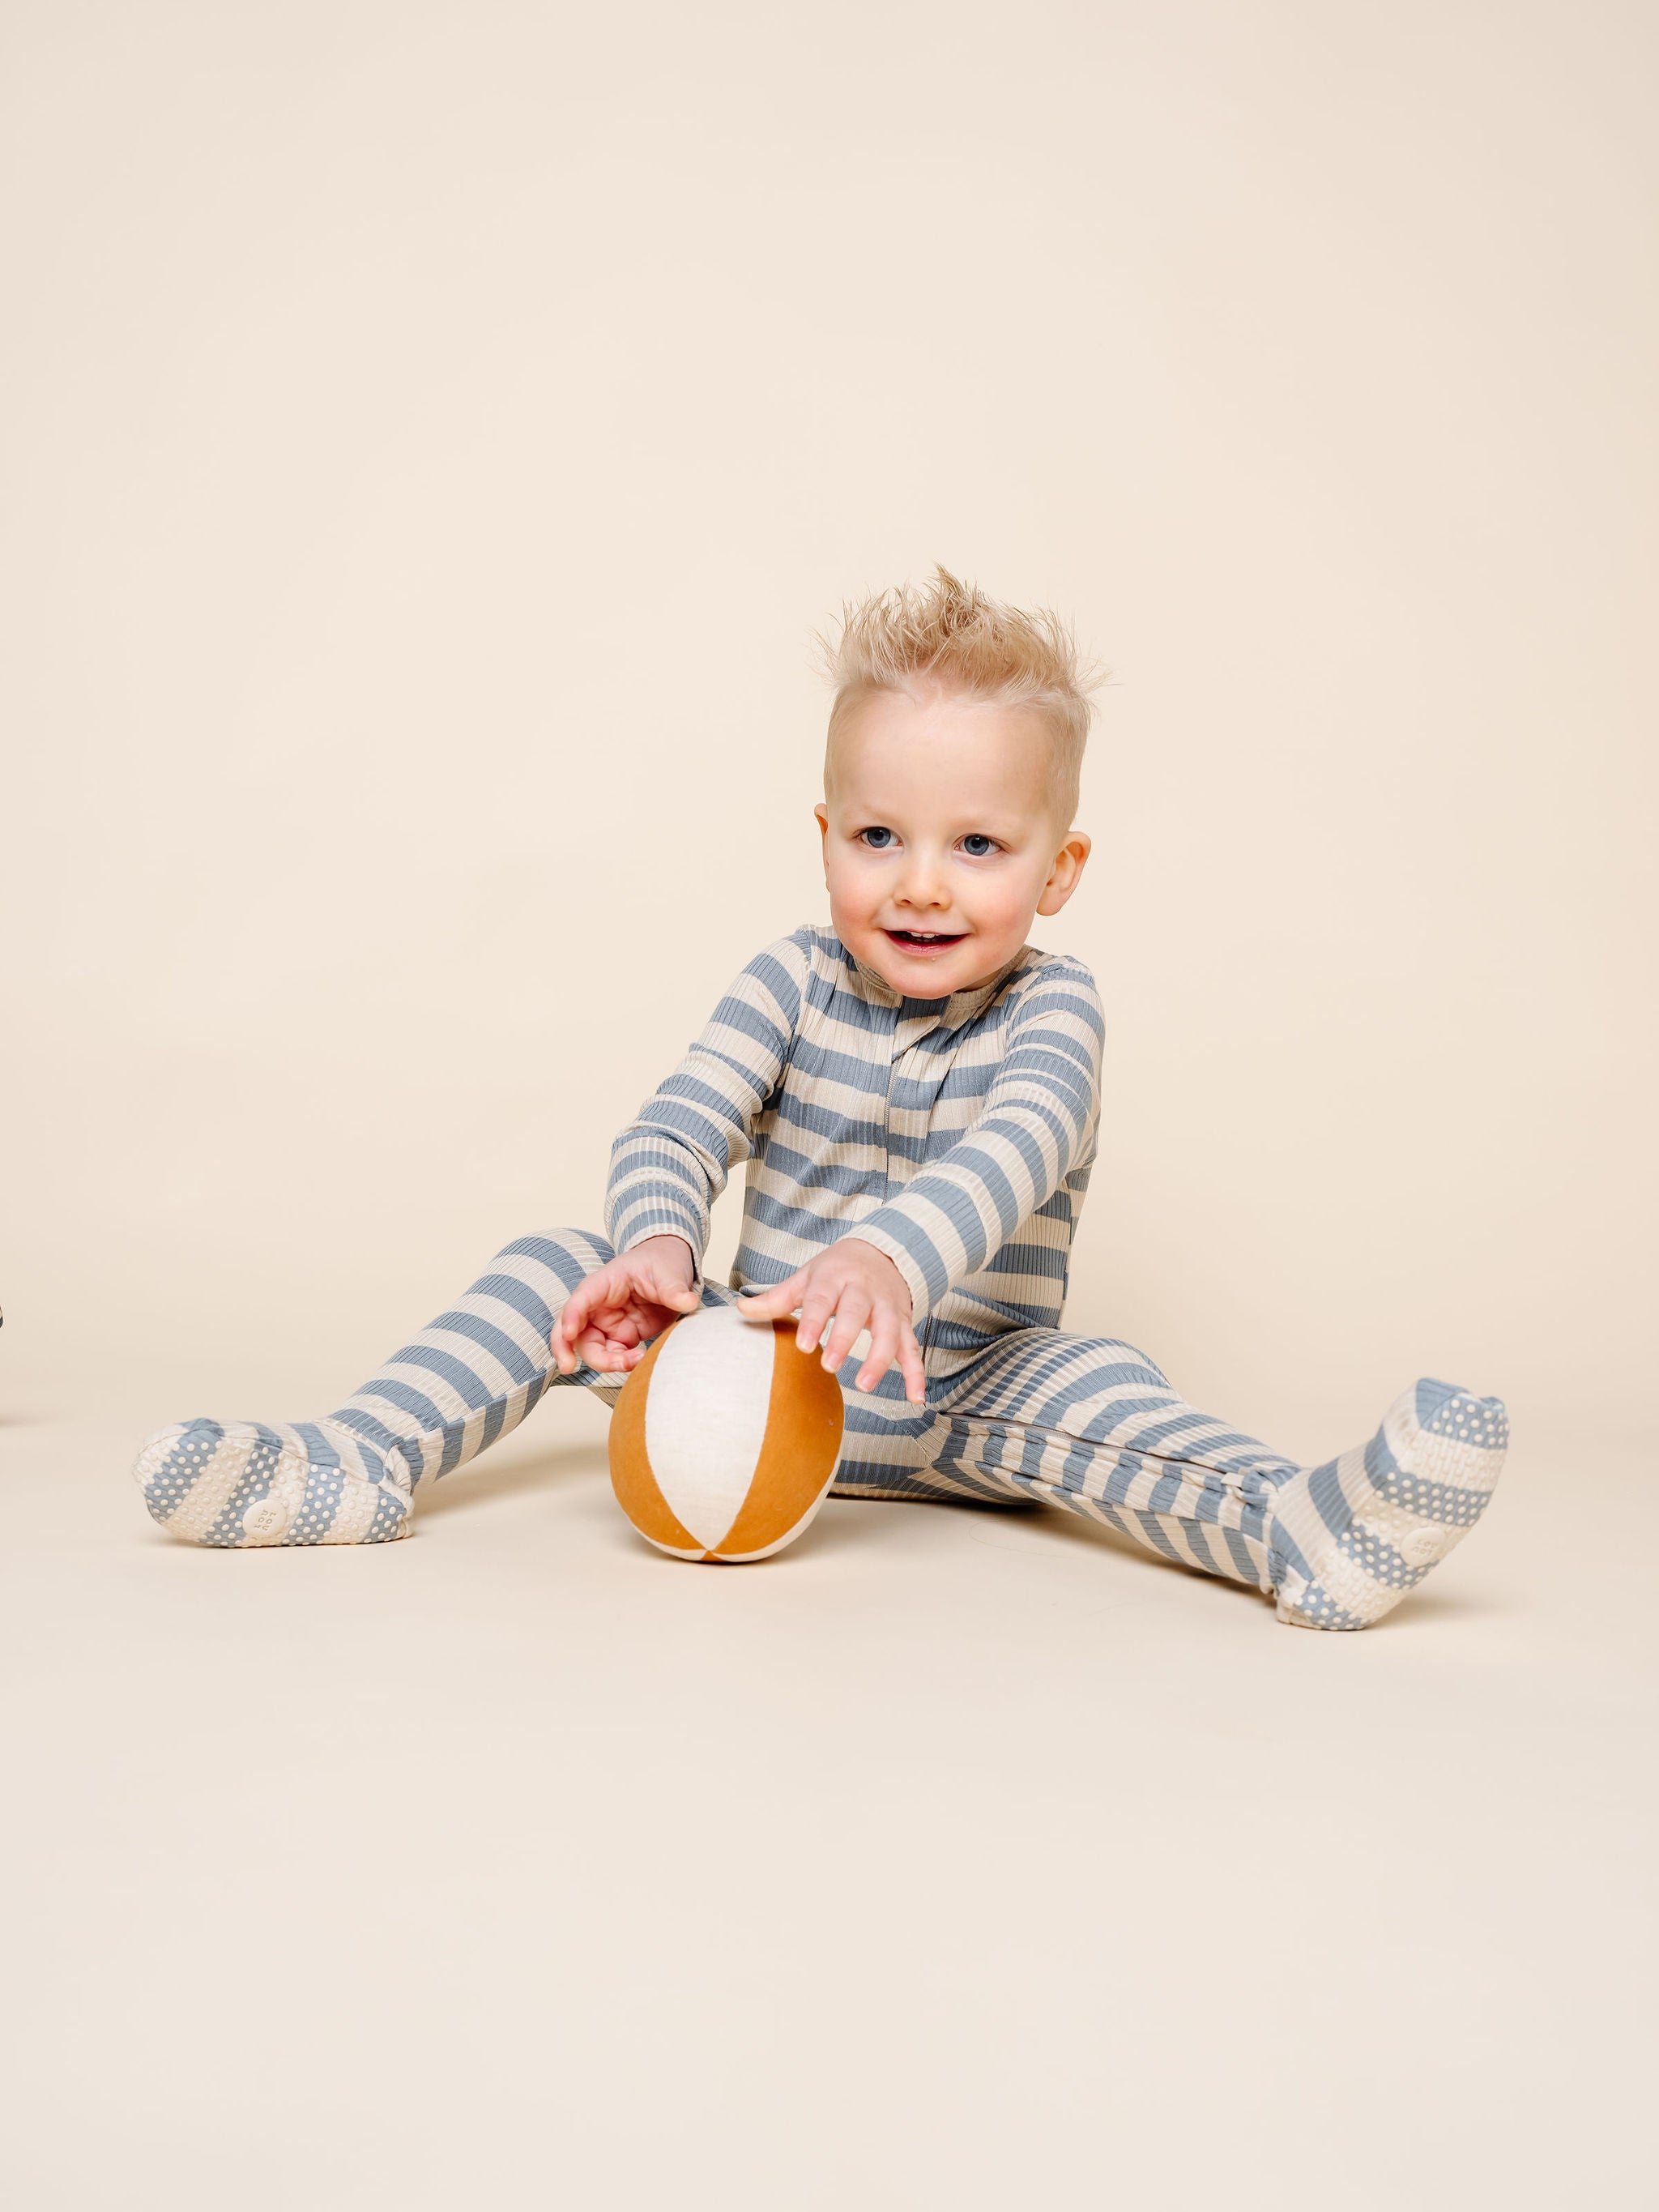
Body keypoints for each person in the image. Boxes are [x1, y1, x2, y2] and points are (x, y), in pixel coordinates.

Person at [134, 569, 1507, 1629]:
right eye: (878, 837)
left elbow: (1017, 1152)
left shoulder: (1055, 1010)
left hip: (958, 1394)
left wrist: (885, 1259)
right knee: (559, 1264)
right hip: (737, 1374)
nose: (920, 883)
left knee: (1102, 1389)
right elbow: (680, 1119)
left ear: (1060, 868)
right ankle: (357, 1461)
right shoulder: (790, 983)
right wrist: (661, 1246)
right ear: (826, 840)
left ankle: (1296, 1530)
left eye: (978, 844)